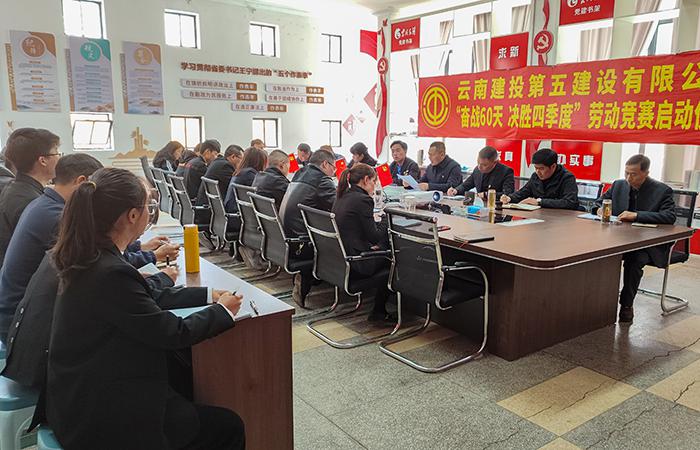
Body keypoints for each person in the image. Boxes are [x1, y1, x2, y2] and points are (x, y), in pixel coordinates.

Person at [45, 167, 245, 450]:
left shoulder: (93, 254)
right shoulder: (109, 270)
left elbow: (144, 297)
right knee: (228, 425)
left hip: (83, 389)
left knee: (181, 381)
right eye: (147, 207)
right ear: (132, 215)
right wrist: (223, 311)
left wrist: (208, 295)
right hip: (99, 413)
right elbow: (171, 333)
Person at [0, 154, 103, 342]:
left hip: (15, 312)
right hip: (21, 323)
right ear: (82, 182)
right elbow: (94, 261)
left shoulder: (43, 203)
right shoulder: (57, 217)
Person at [593, 155, 676, 323]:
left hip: (647, 244)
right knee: (595, 254)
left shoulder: (662, 190)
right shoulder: (618, 185)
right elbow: (598, 203)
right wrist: (599, 210)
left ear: (646, 173)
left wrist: (637, 215)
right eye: (626, 173)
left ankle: (626, 305)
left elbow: (669, 216)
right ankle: (596, 302)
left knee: (634, 259)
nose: (628, 178)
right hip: (617, 239)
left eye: (634, 174)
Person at [333, 163, 393, 321]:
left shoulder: (342, 195)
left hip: (339, 259)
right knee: (393, 260)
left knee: (383, 246)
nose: (374, 186)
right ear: (366, 180)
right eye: (373, 181)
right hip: (357, 262)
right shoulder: (363, 200)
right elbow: (375, 236)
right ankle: (379, 312)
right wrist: (386, 218)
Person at [279, 150, 337, 306]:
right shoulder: (322, 180)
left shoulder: (299, 173)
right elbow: (338, 207)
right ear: (325, 164)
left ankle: (315, 278)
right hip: (302, 243)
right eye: (333, 167)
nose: (334, 172)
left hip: (283, 236)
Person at [0, 128, 61, 266]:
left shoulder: (15, 188)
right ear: (43, 160)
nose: (60, 158)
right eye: (57, 152)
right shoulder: (30, 201)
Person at [501, 148, 579, 210]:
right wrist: (510, 198)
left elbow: (570, 202)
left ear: (553, 166)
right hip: (538, 215)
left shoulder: (567, 178)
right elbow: (523, 192)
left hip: (560, 218)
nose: (538, 172)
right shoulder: (535, 176)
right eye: (536, 168)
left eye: (541, 168)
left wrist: (539, 202)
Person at [447, 146, 515, 198]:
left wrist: (485, 195)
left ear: (495, 162)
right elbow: (466, 185)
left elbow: (507, 194)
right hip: (479, 206)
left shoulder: (506, 172)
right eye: (478, 162)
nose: (480, 166)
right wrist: (456, 190)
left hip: (497, 207)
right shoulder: (477, 170)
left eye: (484, 165)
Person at [195, 144, 243, 209]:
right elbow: (234, 189)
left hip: (206, 206)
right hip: (209, 209)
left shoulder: (218, 162)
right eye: (242, 159)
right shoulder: (225, 166)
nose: (243, 162)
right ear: (233, 157)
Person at [224, 147, 268, 213]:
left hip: (232, 212)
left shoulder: (240, 172)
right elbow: (262, 194)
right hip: (237, 214)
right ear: (260, 162)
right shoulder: (249, 174)